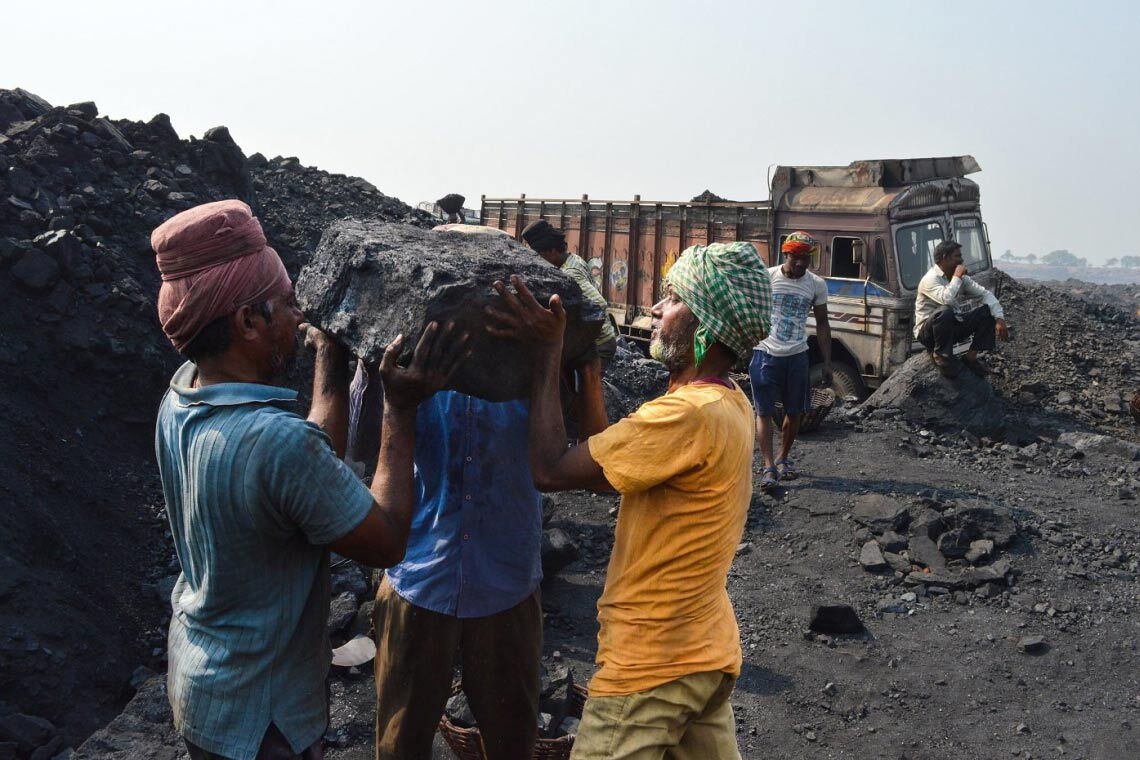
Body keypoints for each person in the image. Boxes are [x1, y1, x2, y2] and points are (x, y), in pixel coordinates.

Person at [151, 200, 465, 760]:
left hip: (205, 682)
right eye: (288, 305)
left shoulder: (181, 396)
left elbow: (307, 462)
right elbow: (388, 539)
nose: (300, 317)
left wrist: (331, 362)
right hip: (263, 717)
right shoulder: (275, 441)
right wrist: (401, 407)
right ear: (249, 321)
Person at [486, 241, 771, 760]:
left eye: (673, 298)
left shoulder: (686, 415)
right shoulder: (729, 403)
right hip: (705, 655)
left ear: (705, 322)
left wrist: (547, 353)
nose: (657, 310)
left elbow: (549, 468)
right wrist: (590, 370)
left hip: (651, 667)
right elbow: (604, 474)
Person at [345, 242, 610, 760]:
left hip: (506, 580)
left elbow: (593, 455)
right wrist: (375, 378)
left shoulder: (533, 351)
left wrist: (562, 357)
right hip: (419, 575)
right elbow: (353, 444)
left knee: (511, 742)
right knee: (399, 744)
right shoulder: (404, 346)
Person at [749, 231, 831, 492]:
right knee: (763, 411)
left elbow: (822, 323)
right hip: (765, 353)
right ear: (786, 254)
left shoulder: (816, 284)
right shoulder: (767, 277)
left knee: (794, 412)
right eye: (796, 257)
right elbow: (751, 311)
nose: (801, 263)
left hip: (797, 355)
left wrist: (827, 363)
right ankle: (768, 465)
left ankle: (784, 458)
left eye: (806, 258)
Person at [520, 219, 618, 369]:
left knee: (584, 389)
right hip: (595, 341)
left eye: (540, 256)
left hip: (599, 345)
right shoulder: (572, 259)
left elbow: (599, 304)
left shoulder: (570, 274)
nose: (538, 261)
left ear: (552, 251)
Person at [914, 239, 1008, 377]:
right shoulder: (930, 279)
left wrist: (1000, 318)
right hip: (928, 333)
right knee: (945, 311)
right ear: (945, 258)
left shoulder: (960, 278)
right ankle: (941, 356)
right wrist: (957, 276)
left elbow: (985, 294)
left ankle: (971, 357)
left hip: (951, 327)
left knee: (987, 312)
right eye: (957, 256)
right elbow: (947, 299)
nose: (961, 260)